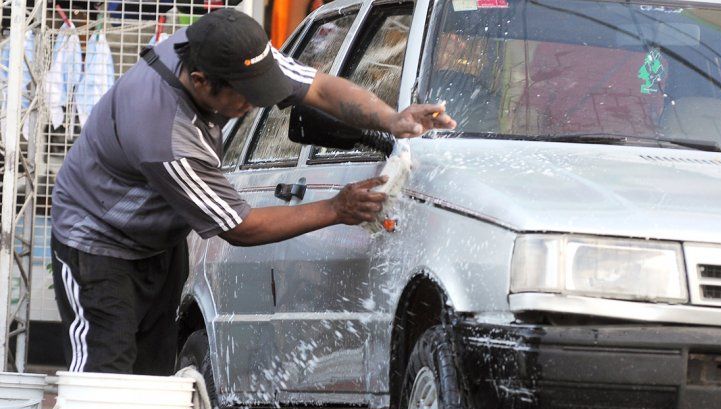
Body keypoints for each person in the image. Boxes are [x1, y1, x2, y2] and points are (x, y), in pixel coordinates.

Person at [50, 8, 456, 375]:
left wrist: (392, 119)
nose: (255, 104)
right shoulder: (166, 134)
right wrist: (337, 207)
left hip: (156, 243)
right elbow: (240, 227)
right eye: (245, 97)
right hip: (97, 246)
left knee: (152, 380)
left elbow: (317, 88)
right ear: (199, 81)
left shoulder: (226, 47)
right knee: (103, 379)